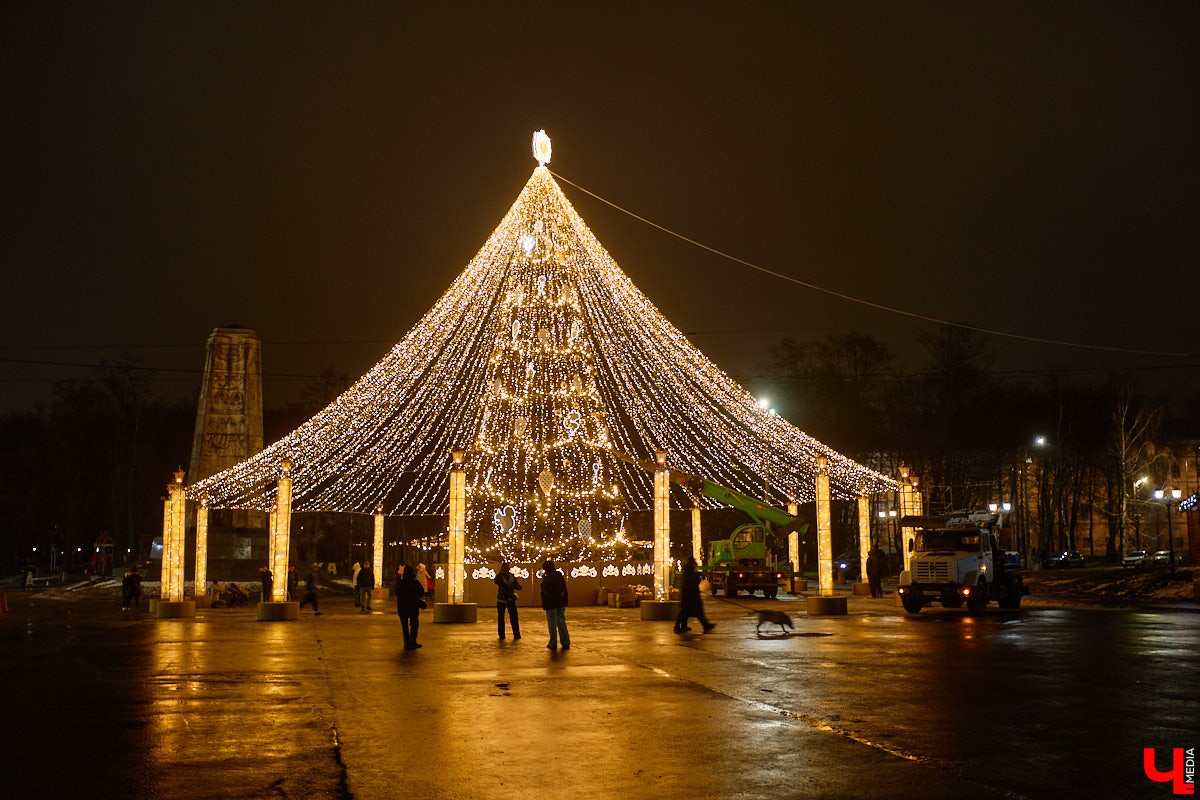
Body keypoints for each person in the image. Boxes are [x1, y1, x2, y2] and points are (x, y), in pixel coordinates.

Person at [674, 557, 715, 634]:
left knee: (686, 611)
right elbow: (694, 580)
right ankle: (705, 625)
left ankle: (682, 626)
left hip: (689, 594)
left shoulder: (688, 569)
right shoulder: (690, 570)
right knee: (693, 611)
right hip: (691, 595)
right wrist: (699, 577)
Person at [539, 559, 570, 650]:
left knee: (552, 623)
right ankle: (565, 641)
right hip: (560, 602)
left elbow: (545, 590)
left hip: (550, 603)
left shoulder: (547, 577)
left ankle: (553, 642)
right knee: (561, 621)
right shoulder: (559, 575)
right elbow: (563, 588)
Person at [395, 564, 427, 649]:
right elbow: (421, 593)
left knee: (404, 627)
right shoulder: (415, 583)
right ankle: (412, 641)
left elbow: (397, 592)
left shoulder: (400, 583)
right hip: (413, 607)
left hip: (402, 607)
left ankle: (406, 643)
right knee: (414, 625)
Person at [494, 562, 522, 640]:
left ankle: (516, 634)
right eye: (505, 567)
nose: (506, 569)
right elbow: (496, 580)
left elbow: (515, 584)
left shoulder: (511, 576)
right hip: (502, 598)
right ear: (502, 568)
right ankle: (502, 635)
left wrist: (518, 586)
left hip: (509, 598)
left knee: (513, 617)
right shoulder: (500, 576)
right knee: (501, 617)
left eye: (507, 567)